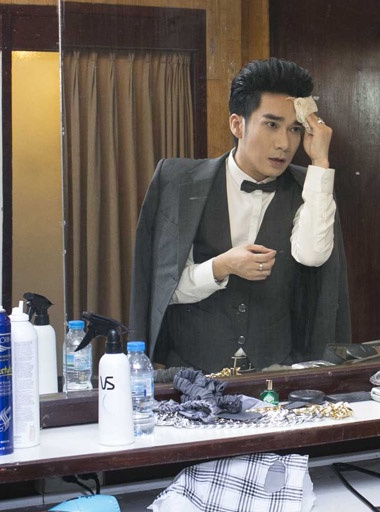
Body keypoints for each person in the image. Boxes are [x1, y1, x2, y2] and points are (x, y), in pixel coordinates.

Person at [129, 57, 350, 372]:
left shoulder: (313, 187)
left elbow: (313, 256)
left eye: (295, 129)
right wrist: (221, 266)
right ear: (237, 124)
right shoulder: (177, 181)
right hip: (192, 375)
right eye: (271, 125)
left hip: (276, 376)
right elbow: (163, 288)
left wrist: (321, 163)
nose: (284, 143)